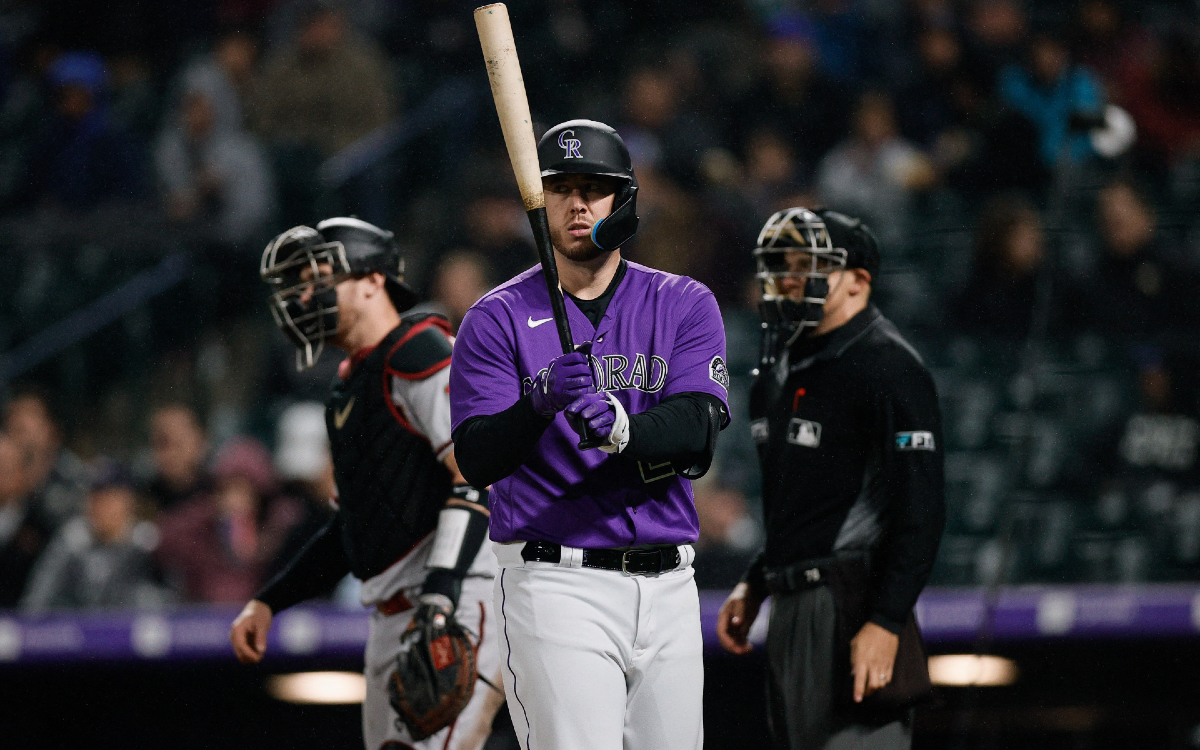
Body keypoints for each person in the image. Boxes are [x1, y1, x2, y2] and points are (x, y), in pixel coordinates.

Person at [449, 120, 730, 750]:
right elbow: (476, 457)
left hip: (671, 586)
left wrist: (627, 429)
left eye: (594, 189)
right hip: (556, 583)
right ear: (539, 201)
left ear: (623, 200)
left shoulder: (683, 302)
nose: (577, 204)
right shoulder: (495, 318)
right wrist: (537, 403)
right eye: (560, 188)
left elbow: (699, 428)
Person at [229, 218, 502, 750]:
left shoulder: (422, 350)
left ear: (374, 281)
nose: (307, 295)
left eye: (321, 278)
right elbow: (355, 526)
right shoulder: (349, 385)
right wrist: (271, 600)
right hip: (393, 615)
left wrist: (440, 598)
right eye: (302, 284)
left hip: (455, 601)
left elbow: (476, 478)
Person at [716, 208, 945, 750]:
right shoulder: (779, 371)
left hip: (852, 601)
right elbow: (798, 504)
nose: (788, 279)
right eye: (781, 265)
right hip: (791, 604)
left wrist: (886, 620)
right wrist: (757, 578)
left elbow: (923, 508)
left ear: (858, 281)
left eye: (806, 265)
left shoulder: (890, 366)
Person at [157, 437, 302, 603]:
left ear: (259, 494)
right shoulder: (201, 525)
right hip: (206, 614)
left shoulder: (280, 523)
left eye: (244, 491)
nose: (236, 500)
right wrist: (206, 514)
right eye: (228, 490)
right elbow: (165, 544)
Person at [21, 459, 173, 612]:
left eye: (110, 497)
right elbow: (37, 601)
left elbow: (172, 602)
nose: (101, 506)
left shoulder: (148, 543)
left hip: (132, 630)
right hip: (77, 631)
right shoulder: (72, 541)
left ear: (128, 500)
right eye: (96, 497)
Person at [142, 404, 212, 513]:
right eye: (163, 444)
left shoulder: (218, 498)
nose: (171, 454)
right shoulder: (142, 502)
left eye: (179, 443)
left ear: (200, 442)